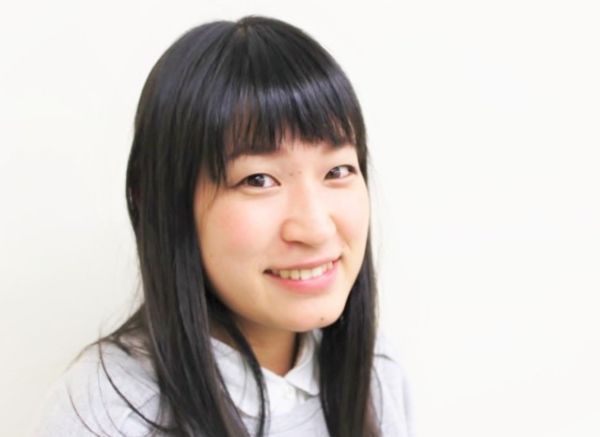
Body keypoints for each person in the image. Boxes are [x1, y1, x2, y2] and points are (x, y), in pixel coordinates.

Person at [33, 16, 413, 437]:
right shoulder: (107, 413)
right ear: (161, 202)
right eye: (258, 179)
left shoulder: (376, 377)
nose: (316, 228)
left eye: (337, 171)